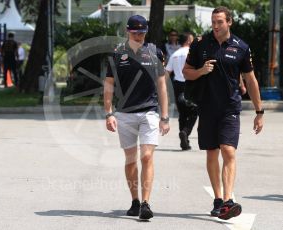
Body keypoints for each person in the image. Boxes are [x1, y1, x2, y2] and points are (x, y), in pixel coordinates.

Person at [183, 6, 264, 220]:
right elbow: (186, 73)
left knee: (228, 150)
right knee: (212, 153)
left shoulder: (241, 47)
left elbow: (251, 80)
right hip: (207, 107)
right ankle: (218, 199)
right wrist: (200, 71)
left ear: (229, 22)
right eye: (213, 22)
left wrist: (259, 111)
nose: (216, 26)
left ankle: (228, 201)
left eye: (220, 22)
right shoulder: (200, 44)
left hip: (230, 108)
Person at [104, 15, 170, 220]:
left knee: (147, 156)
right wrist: (109, 113)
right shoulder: (117, 54)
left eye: (142, 32)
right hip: (124, 114)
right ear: (127, 31)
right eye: (135, 32)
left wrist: (165, 116)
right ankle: (134, 200)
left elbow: (161, 85)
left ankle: (145, 203)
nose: (139, 36)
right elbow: (108, 85)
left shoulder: (155, 52)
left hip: (149, 112)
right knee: (131, 159)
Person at [166, 32, 198, 150]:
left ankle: (184, 141)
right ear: (189, 40)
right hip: (190, 84)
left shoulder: (174, 54)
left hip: (177, 85)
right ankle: (185, 132)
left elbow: (167, 73)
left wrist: (164, 90)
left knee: (182, 114)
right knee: (194, 112)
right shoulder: (192, 53)